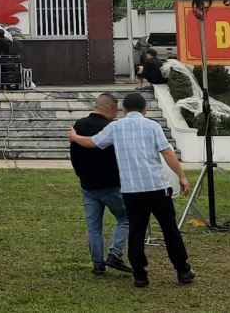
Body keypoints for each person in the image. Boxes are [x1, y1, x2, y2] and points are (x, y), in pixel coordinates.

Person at [68, 93, 193, 288]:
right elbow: (167, 152)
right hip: (156, 187)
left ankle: (140, 275)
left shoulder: (115, 127)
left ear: (124, 110)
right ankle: (183, 270)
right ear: (145, 110)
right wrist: (181, 176)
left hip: (131, 190)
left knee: (136, 232)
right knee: (169, 229)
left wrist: (75, 137)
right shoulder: (153, 126)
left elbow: (92, 142)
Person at [69, 93, 130, 276]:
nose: (116, 114)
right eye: (116, 110)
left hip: (88, 185)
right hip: (111, 184)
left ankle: (98, 265)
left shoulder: (79, 126)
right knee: (127, 218)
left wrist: (82, 176)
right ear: (109, 108)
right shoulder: (110, 128)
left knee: (94, 227)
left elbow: (74, 156)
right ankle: (115, 252)